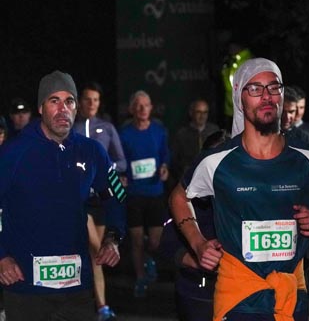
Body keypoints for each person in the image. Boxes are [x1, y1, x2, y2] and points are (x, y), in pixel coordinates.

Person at [169, 57, 309, 321]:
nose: (266, 96)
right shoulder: (217, 161)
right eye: (255, 89)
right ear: (239, 98)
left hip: (290, 296)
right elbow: (179, 196)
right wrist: (197, 243)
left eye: (274, 87)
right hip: (239, 295)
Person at [0, 70, 125, 321]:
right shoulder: (13, 152)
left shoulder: (92, 151)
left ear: (76, 108)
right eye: (54, 101)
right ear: (40, 108)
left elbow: (116, 196)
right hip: (25, 288)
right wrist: (2, 256)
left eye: (69, 101)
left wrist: (113, 237)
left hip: (76, 289)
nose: (62, 109)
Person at [158, 129, 230, 321]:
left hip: (238, 293)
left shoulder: (245, 197)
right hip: (196, 292)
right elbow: (166, 245)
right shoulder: (184, 199)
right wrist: (197, 257)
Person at [73, 81, 127, 321]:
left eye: (95, 100)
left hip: (102, 200)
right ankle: (98, 305)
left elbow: (121, 162)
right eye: (87, 99)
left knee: (95, 257)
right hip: (79, 201)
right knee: (95, 249)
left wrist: (104, 168)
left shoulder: (106, 128)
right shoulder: (70, 128)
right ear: (79, 102)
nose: (91, 104)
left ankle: (100, 307)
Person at [120, 90, 170, 298]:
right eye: (138, 105)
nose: (142, 109)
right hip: (134, 194)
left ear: (151, 108)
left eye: (146, 105)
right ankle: (140, 278)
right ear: (132, 109)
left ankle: (149, 259)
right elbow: (118, 160)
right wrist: (121, 175)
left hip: (155, 192)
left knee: (155, 242)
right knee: (137, 240)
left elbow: (165, 154)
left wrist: (165, 167)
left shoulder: (159, 131)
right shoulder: (124, 134)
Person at [170, 99, 220, 185]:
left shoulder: (214, 131)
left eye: (205, 112)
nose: (202, 116)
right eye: (198, 112)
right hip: (189, 180)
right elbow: (174, 159)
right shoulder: (182, 134)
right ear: (191, 113)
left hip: (210, 179)